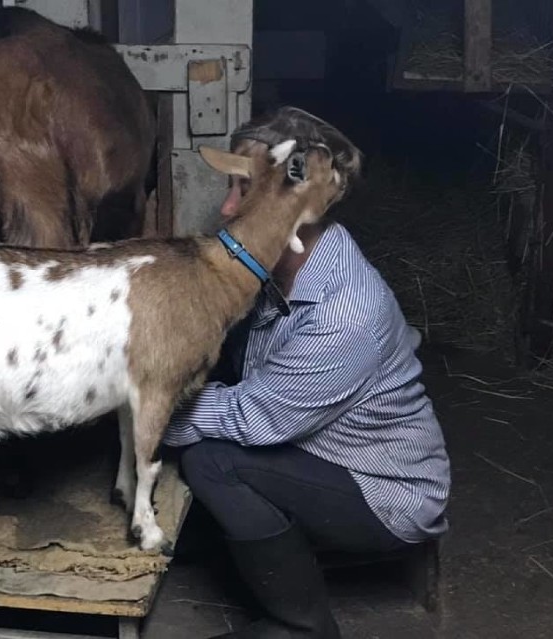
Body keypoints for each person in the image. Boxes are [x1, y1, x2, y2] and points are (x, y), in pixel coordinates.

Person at [162, 106, 451, 639]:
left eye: (243, 192)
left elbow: (252, 417)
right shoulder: (282, 266)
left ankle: (302, 624)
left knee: (213, 461)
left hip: (383, 491)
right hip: (314, 451)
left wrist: (147, 412)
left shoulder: (345, 311)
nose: (226, 209)